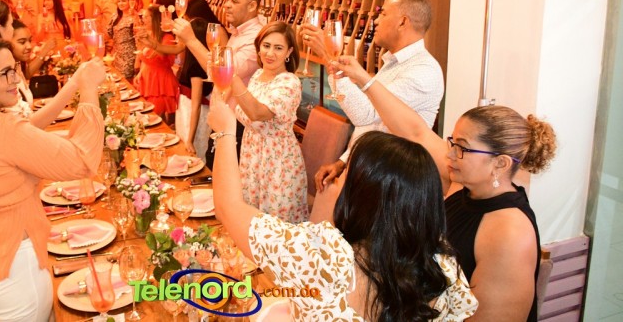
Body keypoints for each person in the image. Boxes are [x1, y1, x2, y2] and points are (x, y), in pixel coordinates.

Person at [207, 96, 478, 321]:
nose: (336, 179)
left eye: (344, 175)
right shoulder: (443, 265)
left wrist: (225, 132)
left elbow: (229, 207)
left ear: (360, 197)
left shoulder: (320, 257)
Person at [332, 55, 557, 321]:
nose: (449, 154)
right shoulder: (464, 185)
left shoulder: (509, 232)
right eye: (452, 142)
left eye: (461, 147)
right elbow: (416, 131)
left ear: (500, 163)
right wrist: (363, 79)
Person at [0, 38, 105, 321]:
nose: (16, 79)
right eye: (5, 73)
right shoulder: (3, 128)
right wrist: (88, 89)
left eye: (15, 69)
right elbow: (83, 161)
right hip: (12, 269)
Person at [302, 0, 444, 191]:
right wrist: (343, 162)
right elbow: (374, 125)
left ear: (403, 22)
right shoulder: (395, 62)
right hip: (370, 169)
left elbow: (365, 114)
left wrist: (327, 56)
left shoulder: (423, 71)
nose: (375, 20)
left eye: (383, 14)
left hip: (390, 181)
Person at [173, 0, 265, 165]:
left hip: (239, 124)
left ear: (252, 6)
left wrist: (191, 40)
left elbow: (225, 73)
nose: (227, 5)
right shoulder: (238, 33)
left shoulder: (256, 38)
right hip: (224, 118)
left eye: (234, 1)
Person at [227, 21, 306, 222]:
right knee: (251, 220)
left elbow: (257, 113)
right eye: (266, 45)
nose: (270, 53)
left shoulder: (289, 82)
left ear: (289, 52)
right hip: (252, 155)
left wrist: (231, 76)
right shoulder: (257, 75)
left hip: (277, 162)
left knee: (274, 226)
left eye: (278, 48)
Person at [4, 19, 86, 128]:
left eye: (29, 41)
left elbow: (27, 74)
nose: (29, 46)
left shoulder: (18, 66)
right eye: (22, 42)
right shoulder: (6, 78)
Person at [175, 0, 225, 157]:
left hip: (192, 124)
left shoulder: (195, 70)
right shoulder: (193, 65)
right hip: (186, 117)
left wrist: (189, 140)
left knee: (194, 157)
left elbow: (195, 106)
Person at [134, 4, 179, 120]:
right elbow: (146, 60)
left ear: (155, 19)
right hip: (147, 80)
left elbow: (165, 60)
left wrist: (150, 44)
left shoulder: (167, 38)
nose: (143, 19)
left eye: (146, 17)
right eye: (143, 17)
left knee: (155, 119)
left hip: (160, 83)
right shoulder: (150, 35)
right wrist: (140, 73)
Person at [106, 0, 137, 80]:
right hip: (116, 56)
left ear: (130, 1)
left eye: (123, 1)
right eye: (119, 1)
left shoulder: (134, 17)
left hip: (129, 58)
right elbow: (109, 35)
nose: (120, 3)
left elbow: (139, 40)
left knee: (125, 82)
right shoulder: (115, 16)